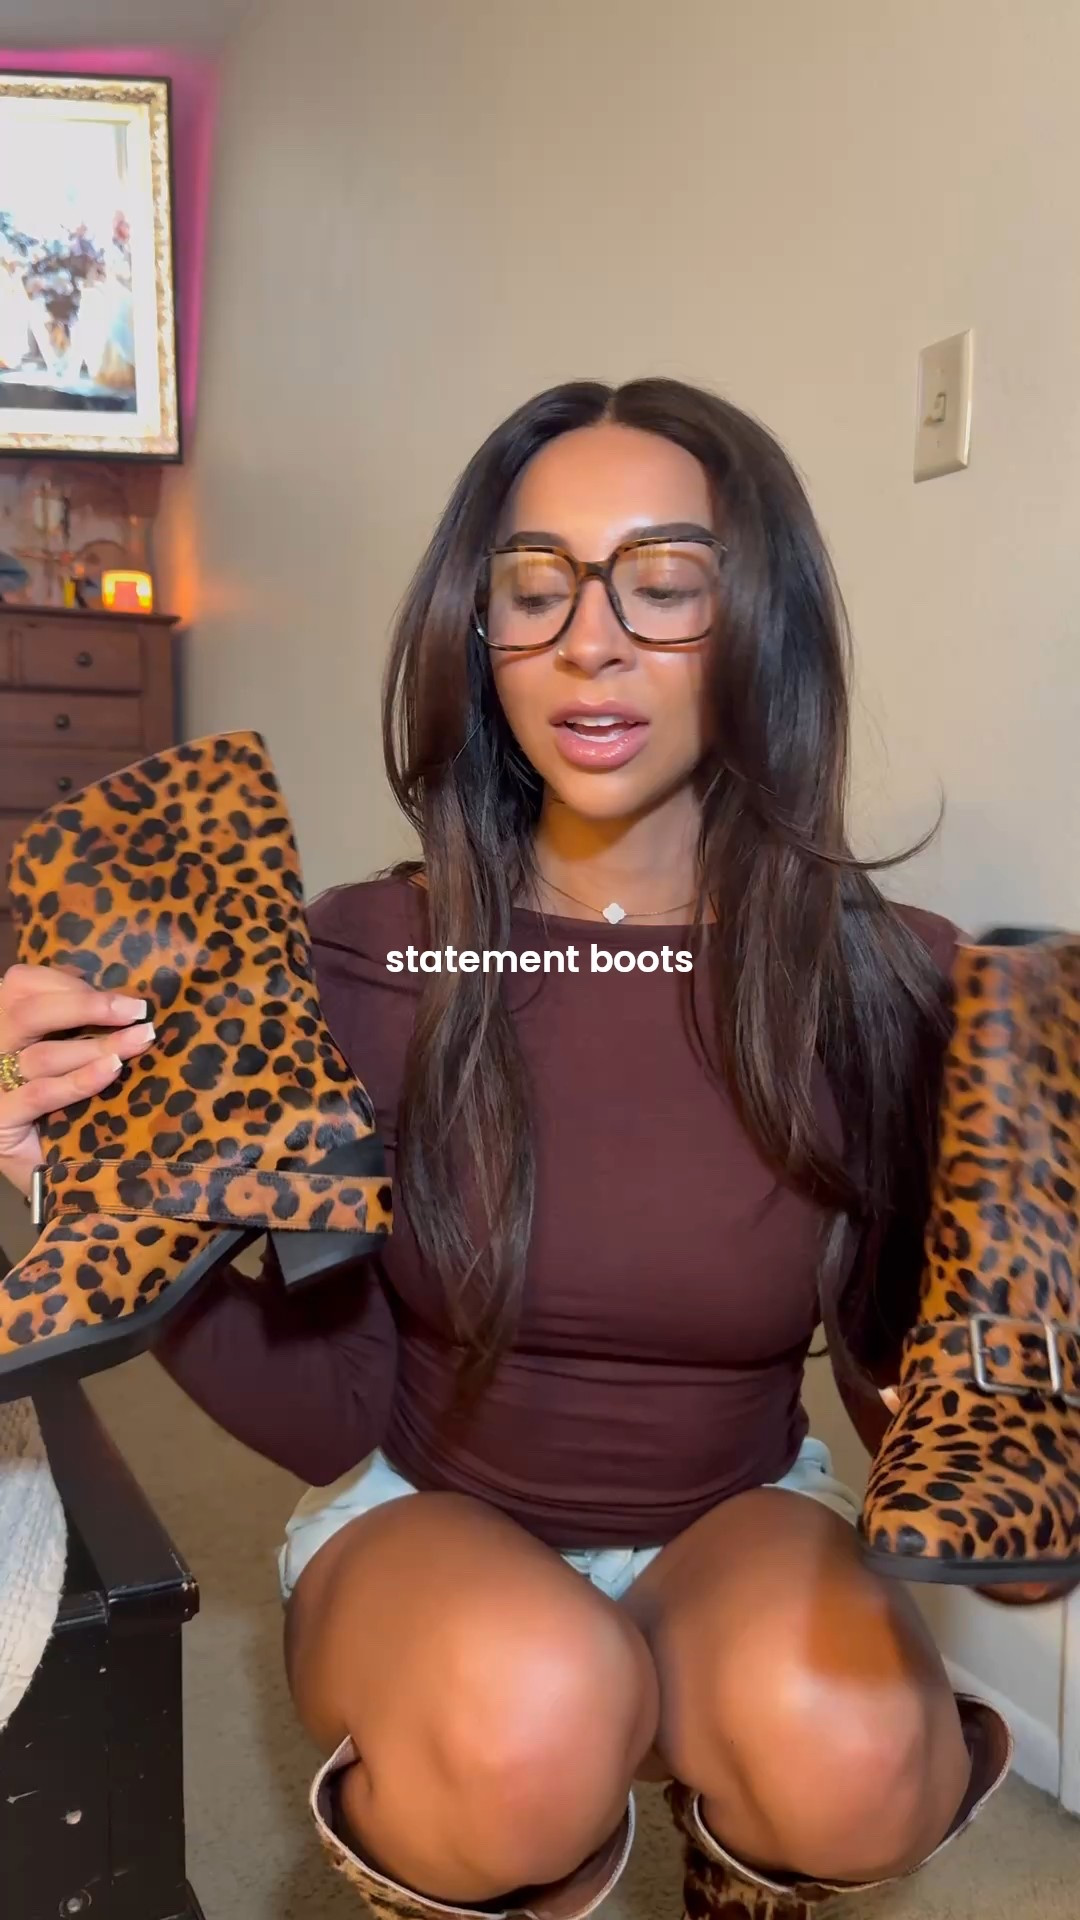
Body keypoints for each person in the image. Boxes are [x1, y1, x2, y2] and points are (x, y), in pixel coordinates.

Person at [0, 378, 1014, 1920]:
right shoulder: (362, 960)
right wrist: (88, 1173)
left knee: (859, 1749)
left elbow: (912, 1397)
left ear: (763, 625)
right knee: (532, 1712)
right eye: (536, 588)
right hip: (429, 1505)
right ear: (482, 634)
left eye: (664, 584)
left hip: (740, 1510)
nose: (590, 640)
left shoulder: (889, 978)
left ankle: (741, 1854)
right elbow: (335, 1401)